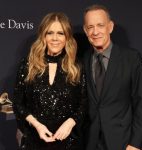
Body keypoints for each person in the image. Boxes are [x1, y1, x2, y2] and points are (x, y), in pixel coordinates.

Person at [13, 12, 87, 150]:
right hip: (35, 140)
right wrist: (38, 126)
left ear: (67, 37)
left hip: (69, 141)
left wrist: (70, 122)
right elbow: (18, 103)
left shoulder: (77, 66)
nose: (55, 38)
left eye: (60, 33)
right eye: (50, 33)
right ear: (43, 36)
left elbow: (84, 102)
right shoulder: (28, 65)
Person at [83, 4, 142, 150]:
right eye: (90, 27)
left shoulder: (131, 58)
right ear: (85, 31)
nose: (95, 31)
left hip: (123, 142)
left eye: (100, 25)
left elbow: (140, 104)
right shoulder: (83, 60)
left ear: (110, 27)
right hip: (91, 142)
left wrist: (135, 144)